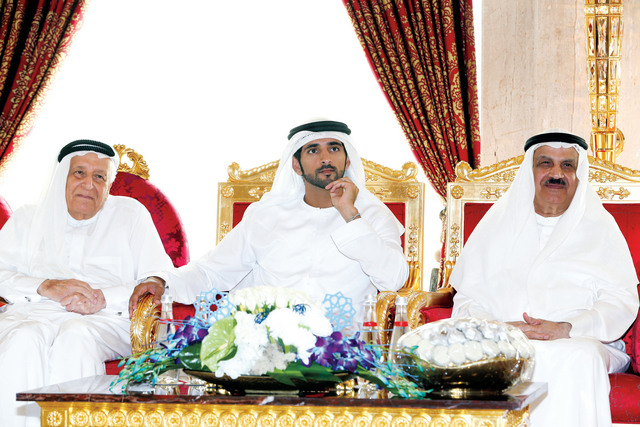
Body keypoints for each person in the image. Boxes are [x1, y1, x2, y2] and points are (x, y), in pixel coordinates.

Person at [129, 119, 409, 325]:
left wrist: (350, 215)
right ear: (296, 165)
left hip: (341, 350)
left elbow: (394, 280)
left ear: (347, 160)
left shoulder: (372, 215)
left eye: (334, 148)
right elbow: (212, 271)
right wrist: (163, 281)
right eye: (313, 150)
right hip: (266, 346)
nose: (325, 158)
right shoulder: (265, 216)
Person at [449, 130, 639, 426]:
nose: (556, 174)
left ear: (578, 175)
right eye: (545, 163)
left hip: (582, 339)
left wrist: (567, 328)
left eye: (567, 165)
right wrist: (500, 329)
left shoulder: (601, 226)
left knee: (577, 356)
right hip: (504, 336)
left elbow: (621, 301)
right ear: (530, 171)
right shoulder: (496, 225)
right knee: (498, 354)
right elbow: (467, 300)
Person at [0, 140, 173, 427]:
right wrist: (44, 286)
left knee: (75, 337)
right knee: (22, 339)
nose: (89, 185)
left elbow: (158, 277)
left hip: (106, 317)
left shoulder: (131, 214)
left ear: (109, 184)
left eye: (99, 176)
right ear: (62, 177)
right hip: (34, 312)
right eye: (79, 173)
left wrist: (102, 297)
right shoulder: (27, 217)